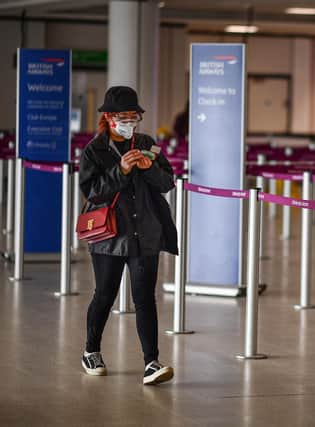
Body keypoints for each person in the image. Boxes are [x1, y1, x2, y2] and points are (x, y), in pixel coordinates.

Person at [79, 86, 178, 385]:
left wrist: (148, 169)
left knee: (145, 298)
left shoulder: (148, 143)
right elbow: (92, 193)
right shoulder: (94, 150)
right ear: (108, 118)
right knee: (104, 295)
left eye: (134, 116)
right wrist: (120, 171)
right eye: (123, 116)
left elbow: (166, 183)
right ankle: (91, 350)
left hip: (145, 233)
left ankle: (152, 362)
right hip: (108, 236)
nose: (130, 122)